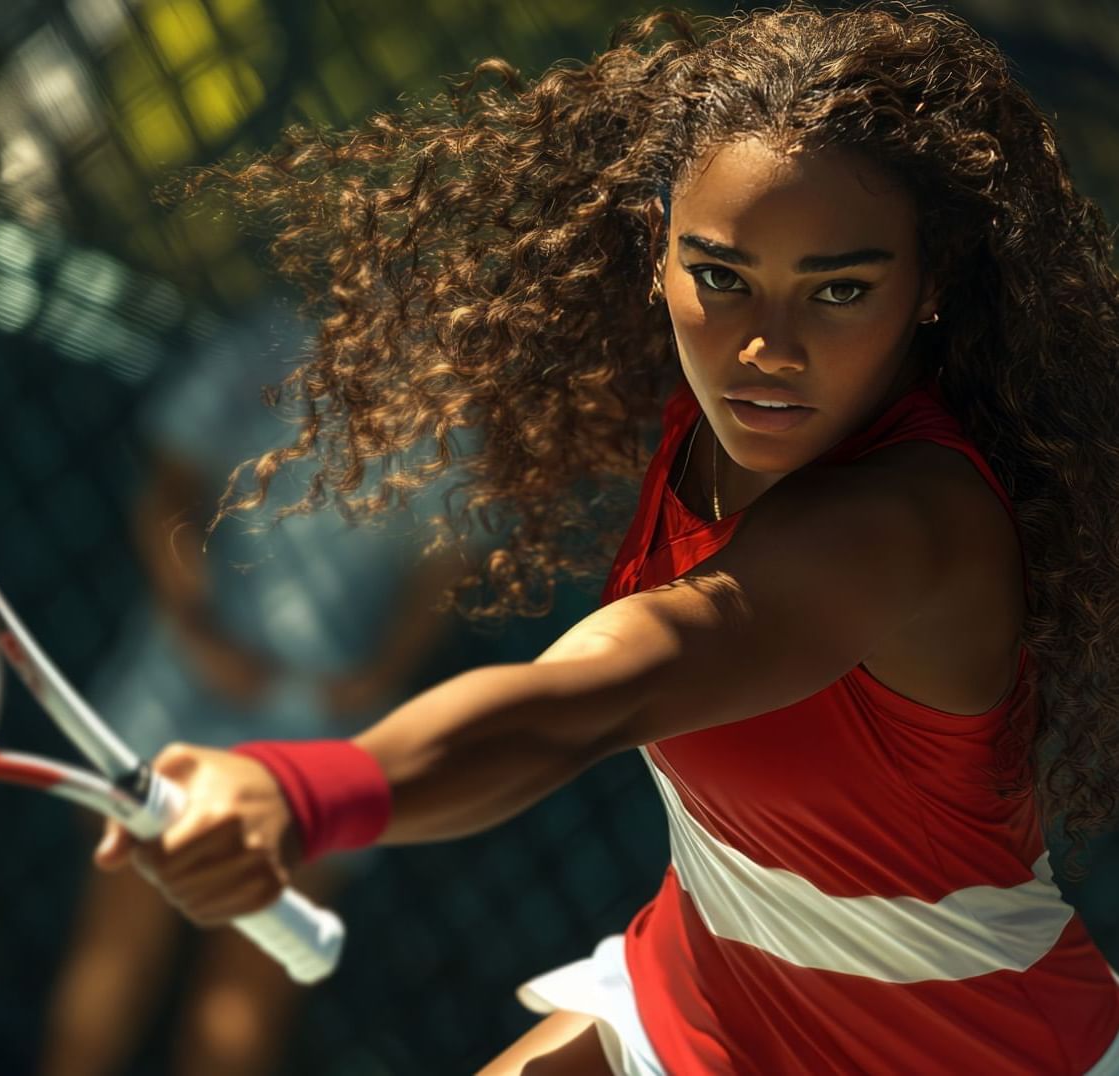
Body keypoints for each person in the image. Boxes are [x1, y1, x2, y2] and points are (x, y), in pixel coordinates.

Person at [95, 5, 1119, 1073]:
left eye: (840, 291)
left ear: (932, 286)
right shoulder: (707, 416)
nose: (766, 346)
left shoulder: (907, 521)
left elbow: (598, 693)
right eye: (720, 275)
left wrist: (304, 793)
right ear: (658, 254)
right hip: (704, 991)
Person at [40, 308, 466, 1076]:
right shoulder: (257, 340)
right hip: (184, 689)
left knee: (244, 996)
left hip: (325, 727)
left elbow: (444, 570)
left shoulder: (458, 396)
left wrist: (373, 679)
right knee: (119, 942)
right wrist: (196, 622)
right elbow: (168, 487)